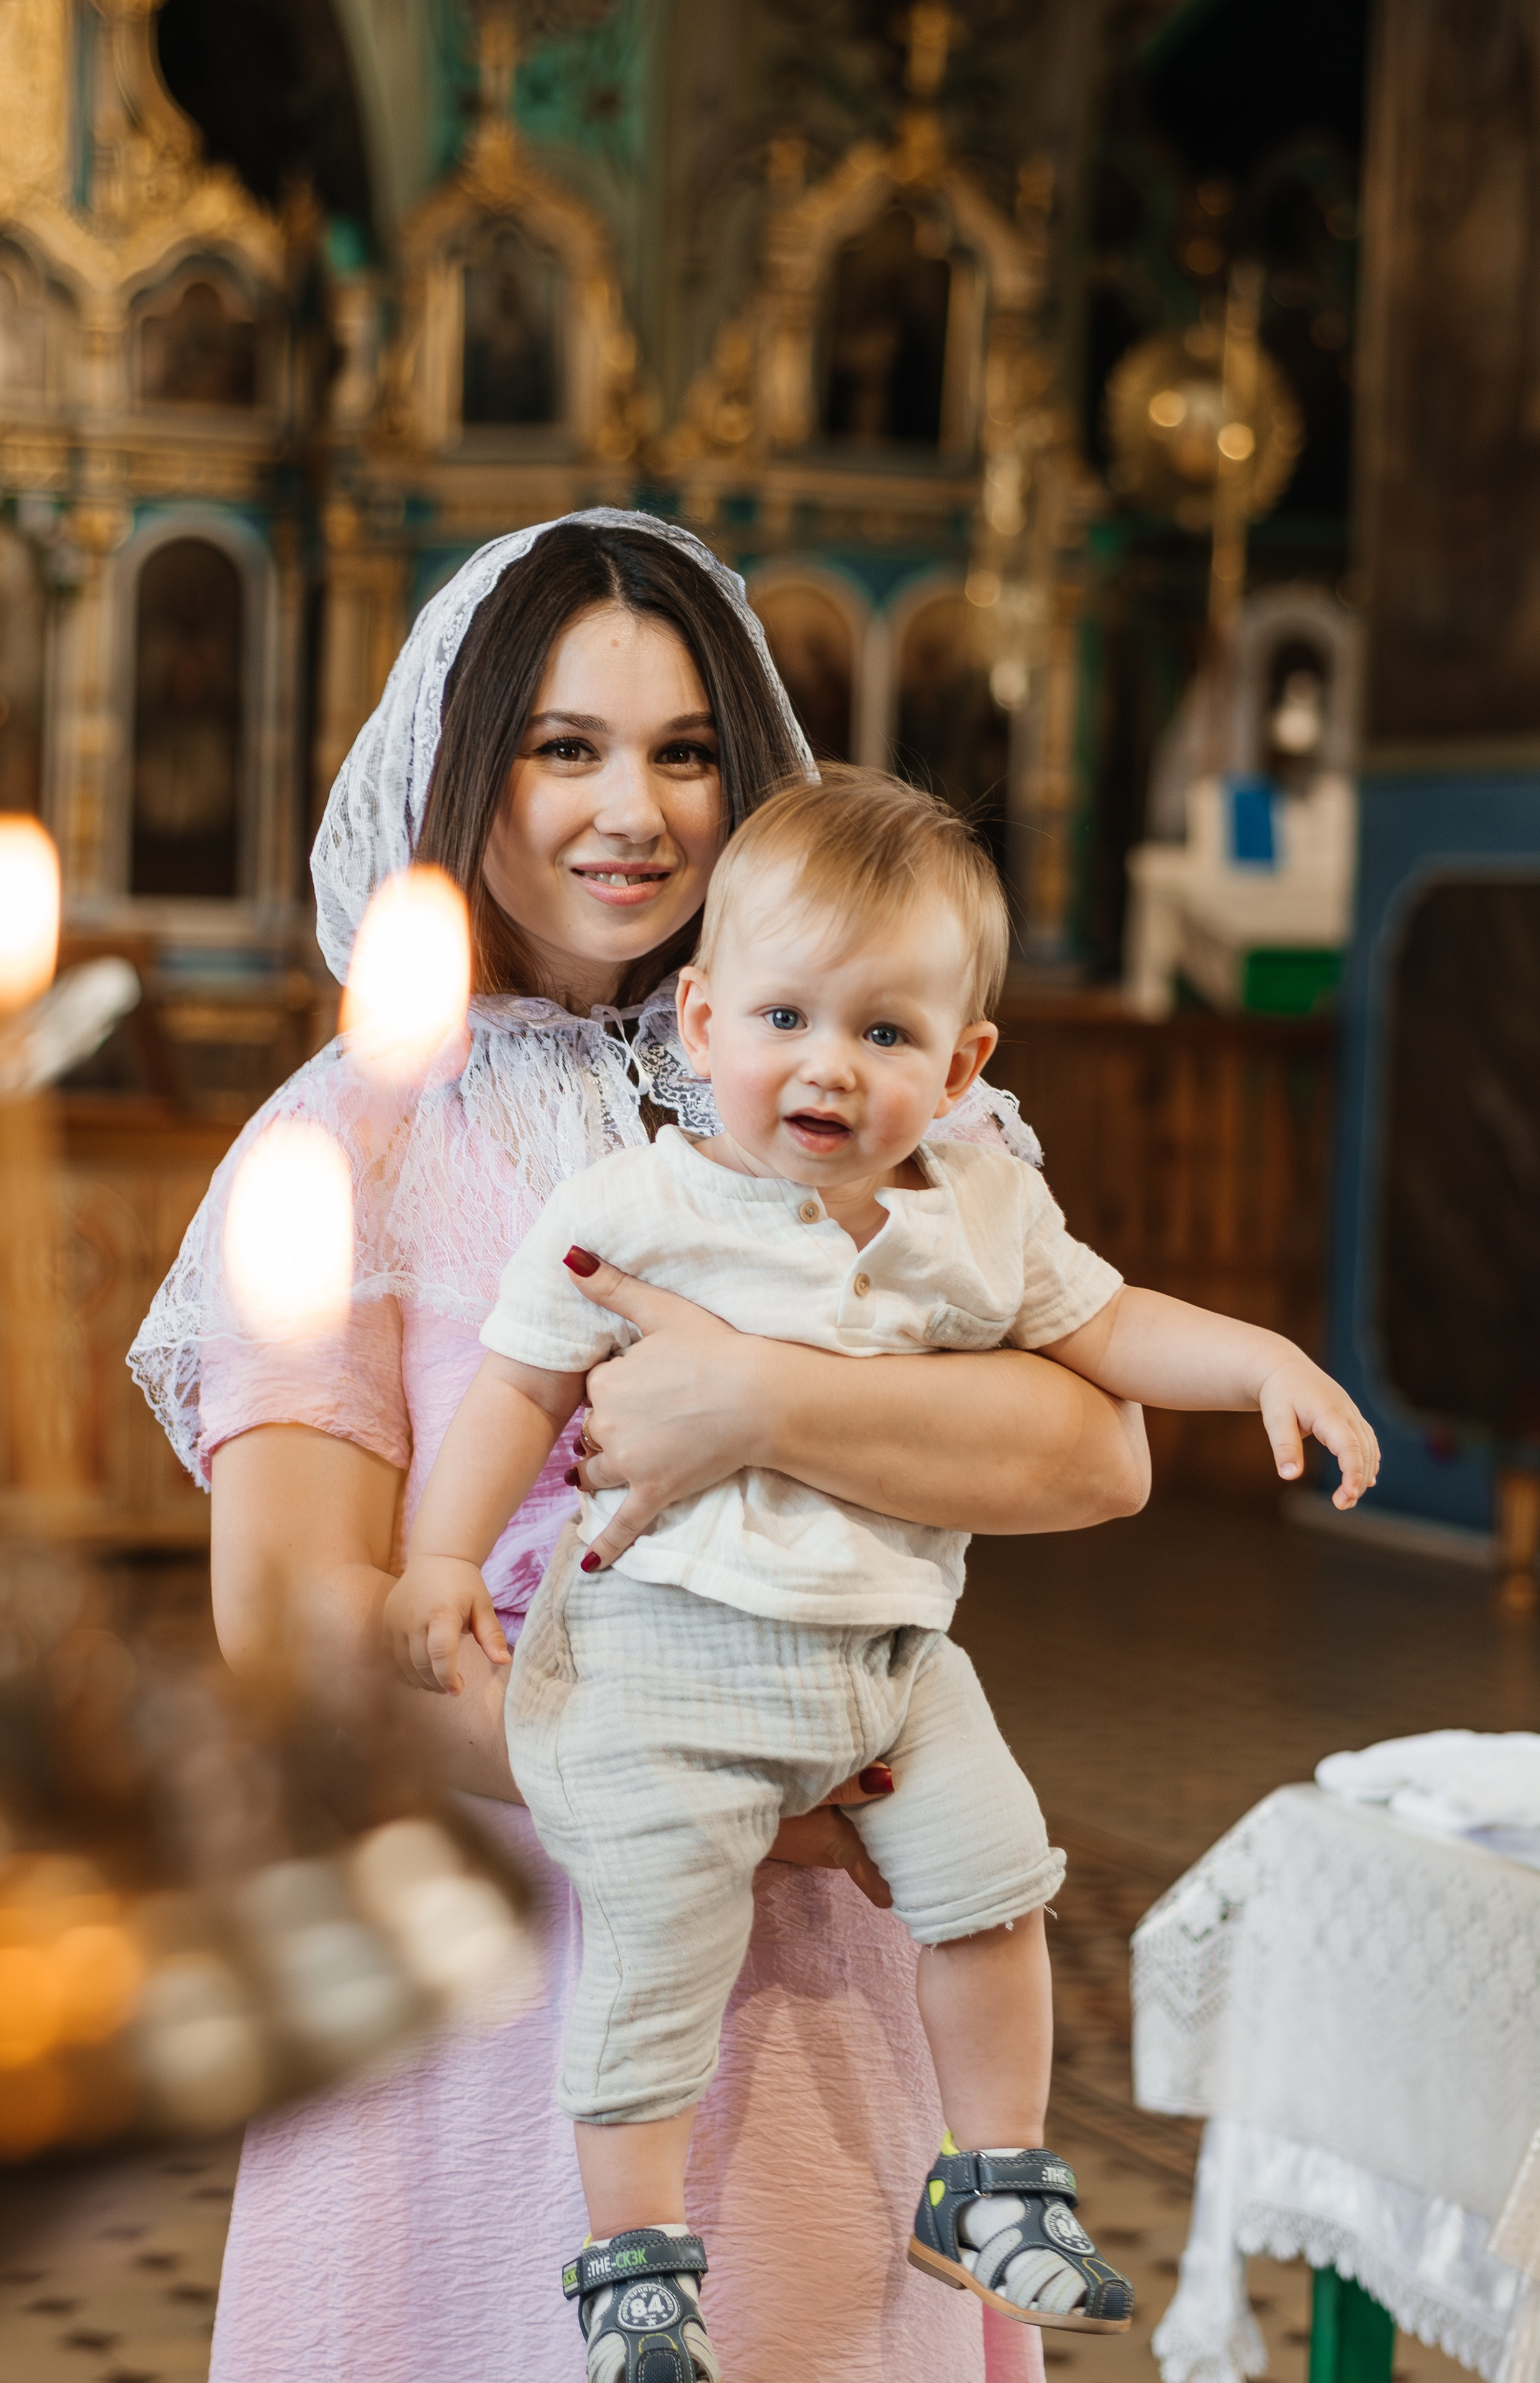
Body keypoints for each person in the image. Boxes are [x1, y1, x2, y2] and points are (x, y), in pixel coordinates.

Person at [129, 512, 1152, 2383]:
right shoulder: (348, 1137)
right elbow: (289, 1626)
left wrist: (762, 1402)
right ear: (466, 768)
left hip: (835, 1929)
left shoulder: (861, 1083)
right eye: (565, 748)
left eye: (686, 752)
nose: (635, 812)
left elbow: (1094, 1450)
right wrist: (678, 1782)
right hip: (494, 1942)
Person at [386, 771, 1380, 2382]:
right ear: (701, 1022)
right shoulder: (641, 1205)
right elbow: (518, 1385)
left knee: (999, 1890)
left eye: (887, 1033)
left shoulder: (983, 1210)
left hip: (887, 1669)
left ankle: (992, 2178)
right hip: (664, 1657)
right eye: (785, 1014)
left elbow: (1109, 1331)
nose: (829, 1066)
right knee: (654, 1954)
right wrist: (439, 1559)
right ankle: (634, 2263)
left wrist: (1262, 1359)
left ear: (965, 1063)